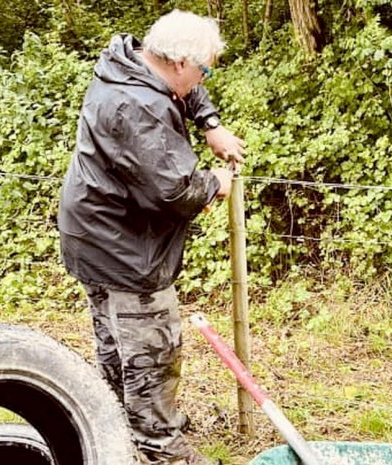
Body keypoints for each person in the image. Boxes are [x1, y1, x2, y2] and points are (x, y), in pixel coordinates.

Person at [57, 10, 245, 465]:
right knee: (150, 348)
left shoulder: (132, 62)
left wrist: (210, 122)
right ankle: (159, 445)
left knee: (117, 338)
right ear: (180, 62)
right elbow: (175, 189)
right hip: (122, 245)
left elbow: (188, 88)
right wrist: (216, 183)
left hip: (92, 231)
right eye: (205, 69)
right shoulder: (138, 107)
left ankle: (120, 424)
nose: (205, 78)